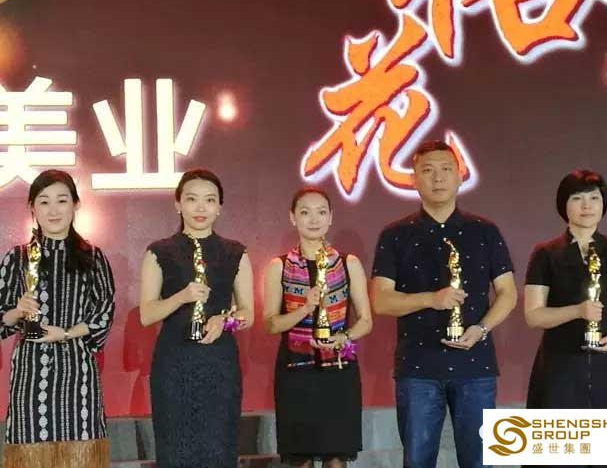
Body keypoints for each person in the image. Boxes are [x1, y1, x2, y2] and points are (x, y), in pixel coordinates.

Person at [371, 140, 517, 468]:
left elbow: (508, 293)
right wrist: (431, 299)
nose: (438, 178)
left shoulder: (485, 231)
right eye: (428, 170)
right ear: (414, 179)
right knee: (417, 461)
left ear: (460, 176)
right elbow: (381, 300)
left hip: (475, 366)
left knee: (480, 462)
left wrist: (481, 329)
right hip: (418, 368)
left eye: (446, 169)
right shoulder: (395, 235)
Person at [523, 169, 607, 467]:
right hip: (560, 369)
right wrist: (577, 311)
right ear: (564, 205)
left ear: (603, 204)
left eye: (594, 198)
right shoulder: (545, 253)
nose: (587, 205)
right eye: (577, 198)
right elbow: (534, 315)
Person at [139, 168, 254, 468]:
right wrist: (181, 297)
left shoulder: (235, 253)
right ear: (178, 204)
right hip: (174, 365)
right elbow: (147, 315)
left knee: (219, 448)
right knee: (175, 451)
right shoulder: (159, 252)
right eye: (192, 199)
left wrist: (224, 321)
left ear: (219, 207)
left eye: (210, 200)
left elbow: (248, 313)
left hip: (219, 365)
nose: (201, 207)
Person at [0, 169, 115, 468]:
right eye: (44, 201)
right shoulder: (17, 258)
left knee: (82, 452)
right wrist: (17, 310)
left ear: (75, 205)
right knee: (29, 451)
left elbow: (104, 313)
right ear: (32, 208)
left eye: (62, 200)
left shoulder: (93, 257)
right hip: (30, 374)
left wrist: (64, 333)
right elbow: (2, 319)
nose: (53, 210)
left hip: (78, 372)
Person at [263, 187, 372, 468]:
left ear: (330, 217)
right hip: (295, 373)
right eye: (305, 212)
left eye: (321, 212)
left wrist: (343, 338)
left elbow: (366, 321)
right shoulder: (279, 266)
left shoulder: (348, 263)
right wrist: (304, 308)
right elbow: (271, 324)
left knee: (336, 459)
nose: (314, 219)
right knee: (300, 460)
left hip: (338, 373)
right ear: (293, 217)